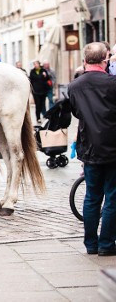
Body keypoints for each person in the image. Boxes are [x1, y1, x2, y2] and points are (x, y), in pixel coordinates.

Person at [68, 42, 116, 256]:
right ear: (105, 60)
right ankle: (106, 245)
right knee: (112, 197)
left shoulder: (75, 86)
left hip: (90, 147)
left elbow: (77, 113)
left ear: (84, 61)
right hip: (113, 147)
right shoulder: (113, 83)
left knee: (91, 197)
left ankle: (91, 244)